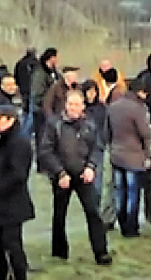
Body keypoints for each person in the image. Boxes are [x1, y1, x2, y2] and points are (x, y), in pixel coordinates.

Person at [38, 90, 111, 265]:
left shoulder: (89, 124)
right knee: (59, 214)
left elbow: (97, 147)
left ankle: (101, 252)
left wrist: (91, 167)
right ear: (65, 105)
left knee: (93, 212)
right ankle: (59, 252)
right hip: (62, 175)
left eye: (77, 104)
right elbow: (45, 150)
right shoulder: (54, 124)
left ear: (83, 106)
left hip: (83, 174)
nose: (73, 108)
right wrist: (59, 173)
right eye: (70, 104)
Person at [107, 78, 151, 237]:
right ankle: (131, 227)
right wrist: (149, 154)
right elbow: (145, 133)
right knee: (133, 193)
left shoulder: (113, 107)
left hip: (117, 155)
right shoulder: (138, 109)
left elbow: (107, 132)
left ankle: (121, 223)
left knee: (120, 192)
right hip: (134, 156)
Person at [0, 104, 34, 280]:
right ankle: (2, 279)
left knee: (12, 244)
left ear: (10, 120)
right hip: (2, 202)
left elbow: (18, 175)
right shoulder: (3, 140)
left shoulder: (19, 142)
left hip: (13, 203)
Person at [30, 47, 59, 151]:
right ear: (51, 58)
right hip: (41, 112)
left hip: (52, 111)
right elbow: (36, 93)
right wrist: (47, 102)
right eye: (56, 57)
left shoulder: (54, 72)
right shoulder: (40, 73)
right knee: (42, 140)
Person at [13, 47, 37, 135]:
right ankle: (26, 132)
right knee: (31, 112)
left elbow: (15, 76)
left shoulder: (19, 63)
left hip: (23, 90)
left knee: (25, 110)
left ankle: (23, 129)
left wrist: (19, 86)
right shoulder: (35, 63)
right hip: (32, 90)